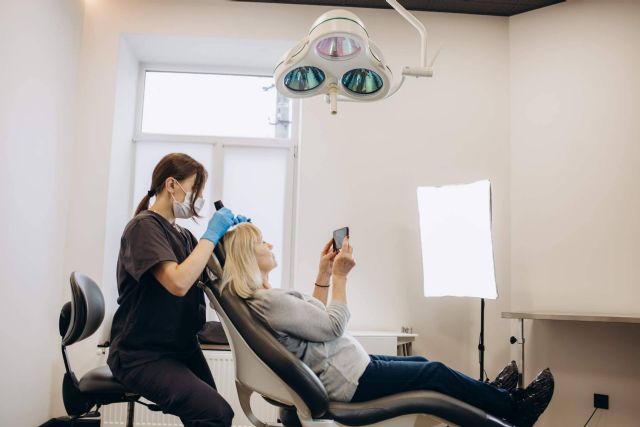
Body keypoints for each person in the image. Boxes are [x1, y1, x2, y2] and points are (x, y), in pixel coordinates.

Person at [220, 222, 555, 427]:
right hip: (351, 381)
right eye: (262, 243)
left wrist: (324, 274)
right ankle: (513, 410)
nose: (270, 245)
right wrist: (340, 277)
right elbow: (333, 325)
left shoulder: (264, 299)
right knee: (434, 373)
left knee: (426, 365)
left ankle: (495, 396)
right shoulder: (268, 301)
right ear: (248, 256)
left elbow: (313, 323)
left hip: (353, 368)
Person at [107, 153, 249, 427]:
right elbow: (178, 282)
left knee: (217, 414)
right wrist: (210, 235)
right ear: (171, 184)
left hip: (180, 348)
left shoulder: (183, 235)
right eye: (195, 189)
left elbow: (213, 272)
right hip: (141, 354)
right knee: (214, 413)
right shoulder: (143, 227)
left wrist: (231, 237)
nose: (199, 199)